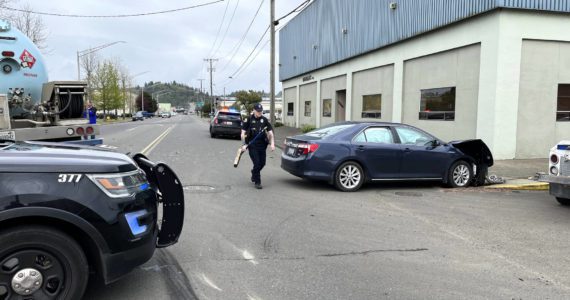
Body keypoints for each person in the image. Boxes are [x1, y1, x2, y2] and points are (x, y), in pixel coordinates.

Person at [241, 103, 275, 189]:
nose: (260, 113)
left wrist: (272, 144)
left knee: (262, 164)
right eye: (258, 111)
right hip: (252, 145)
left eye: (261, 111)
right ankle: (257, 182)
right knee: (257, 163)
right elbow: (243, 133)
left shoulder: (264, 120)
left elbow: (271, 133)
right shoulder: (248, 119)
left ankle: (254, 173)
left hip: (262, 145)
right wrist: (244, 144)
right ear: (253, 111)